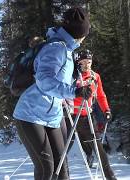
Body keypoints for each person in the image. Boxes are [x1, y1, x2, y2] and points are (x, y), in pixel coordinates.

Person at [13, 7, 92, 180]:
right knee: (46, 168)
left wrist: (73, 77)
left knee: (61, 166)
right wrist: (74, 91)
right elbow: (44, 81)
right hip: (30, 114)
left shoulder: (67, 49)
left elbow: (57, 81)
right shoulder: (57, 48)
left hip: (52, 115)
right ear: (80, 33)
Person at [65, 49, 117, 180]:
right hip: (70, 118)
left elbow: (100, 95)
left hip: (87, 118)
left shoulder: (95, 76)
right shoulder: (71, 75)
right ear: (78, 62)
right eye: (83, 62)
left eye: (89, 61)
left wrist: (106, 110)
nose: (87, 64)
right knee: (62, 150)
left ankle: (110, 177)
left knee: (100, 150)